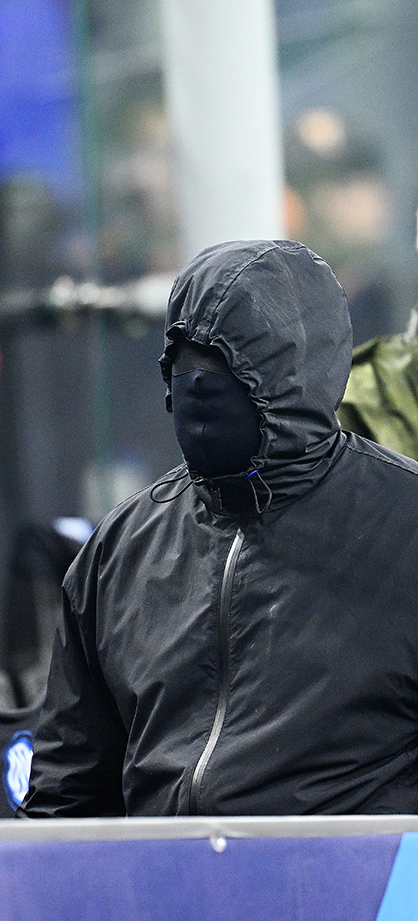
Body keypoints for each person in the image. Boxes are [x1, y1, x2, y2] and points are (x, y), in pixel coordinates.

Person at [22, 239, 418, 817]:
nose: (199, 385)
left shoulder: (403, 528)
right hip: (161, 895)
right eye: (183, 362)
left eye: (231, 366)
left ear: (295, 378)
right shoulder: (123, 548)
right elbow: (68, 790)